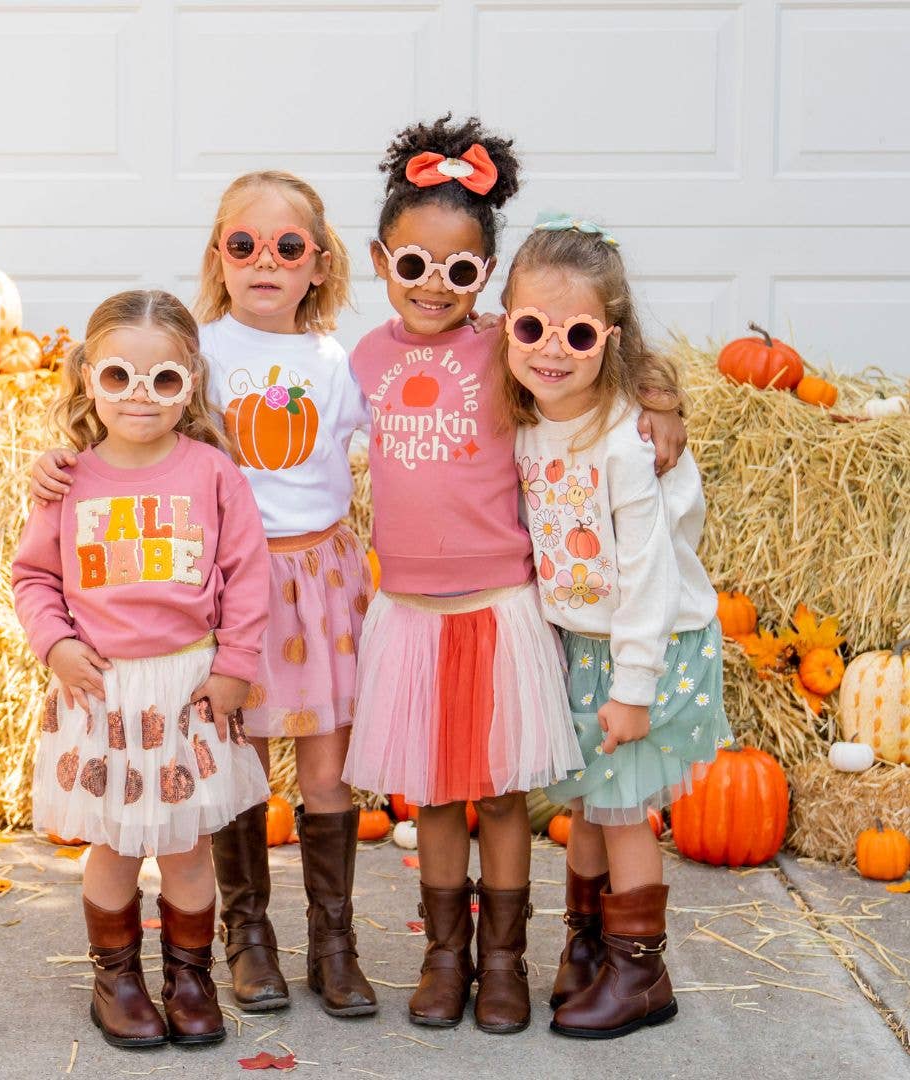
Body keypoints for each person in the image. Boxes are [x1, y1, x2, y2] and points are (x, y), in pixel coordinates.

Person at [342, 115, 689, 1035]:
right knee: (434, 794)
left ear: (486, 275)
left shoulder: (509, 345)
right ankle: (445, 956)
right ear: (380, 262)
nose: (435, 285)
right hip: (409, 614)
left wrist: (662, 397)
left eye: (459, 270)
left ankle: (503, 962)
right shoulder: (362, 361)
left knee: (500, 794)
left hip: (500, 612)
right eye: (413, 264)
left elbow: (598, 355)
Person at [28, 173, 379, 1018]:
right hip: (217, 590)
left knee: (325, 774)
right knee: (226, 770)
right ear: (218, 256)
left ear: (320, 263)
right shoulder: (199, 350)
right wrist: (53, 459)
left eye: (288, 247)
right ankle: (246, 938)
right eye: (244, 244)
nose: (266, 261)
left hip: (316, 582)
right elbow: (126, 416)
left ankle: (333, 943)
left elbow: (411, 422)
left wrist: (650, 396)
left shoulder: (337, 362)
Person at [12, 290, 271, 1048]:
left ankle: (190, 977)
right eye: (119, 376)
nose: (140, 396)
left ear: (190, 384)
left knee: (188, 846)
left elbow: (248, 575)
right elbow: (34, 578)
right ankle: (116, 979)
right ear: (88, 378)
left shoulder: (213, 474)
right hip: (104, 692)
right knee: (116, 845)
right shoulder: (68, 480)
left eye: (163, 379)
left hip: (187, 689)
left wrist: (236, 664)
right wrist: (55, 644)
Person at [499, 214, 733, 1038]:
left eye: (577, 334)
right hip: (586, 644)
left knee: (624, 807)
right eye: (532, 327)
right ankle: (588, 947)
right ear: (505, 325)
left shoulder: (628, 442)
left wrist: (633, 688)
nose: (551, 350)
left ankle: (641, 974)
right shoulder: (531, 420)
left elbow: (648, 577)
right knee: (591, 804)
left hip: (650, 647)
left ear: (611, 337)